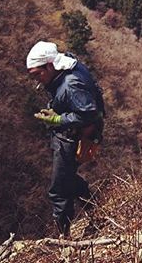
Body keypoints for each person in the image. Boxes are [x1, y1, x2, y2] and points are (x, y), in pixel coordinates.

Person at [27, 41, 105, 237]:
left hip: (72, 138)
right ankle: (96, 207)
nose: (37, 80)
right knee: (66, 178)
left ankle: (64, 237)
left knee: (58, 190)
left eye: (38, 74)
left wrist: (57, 118)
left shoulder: (70, 85)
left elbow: (89, 114)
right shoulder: (68, 66)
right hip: (74, 134)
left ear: (50, 65)